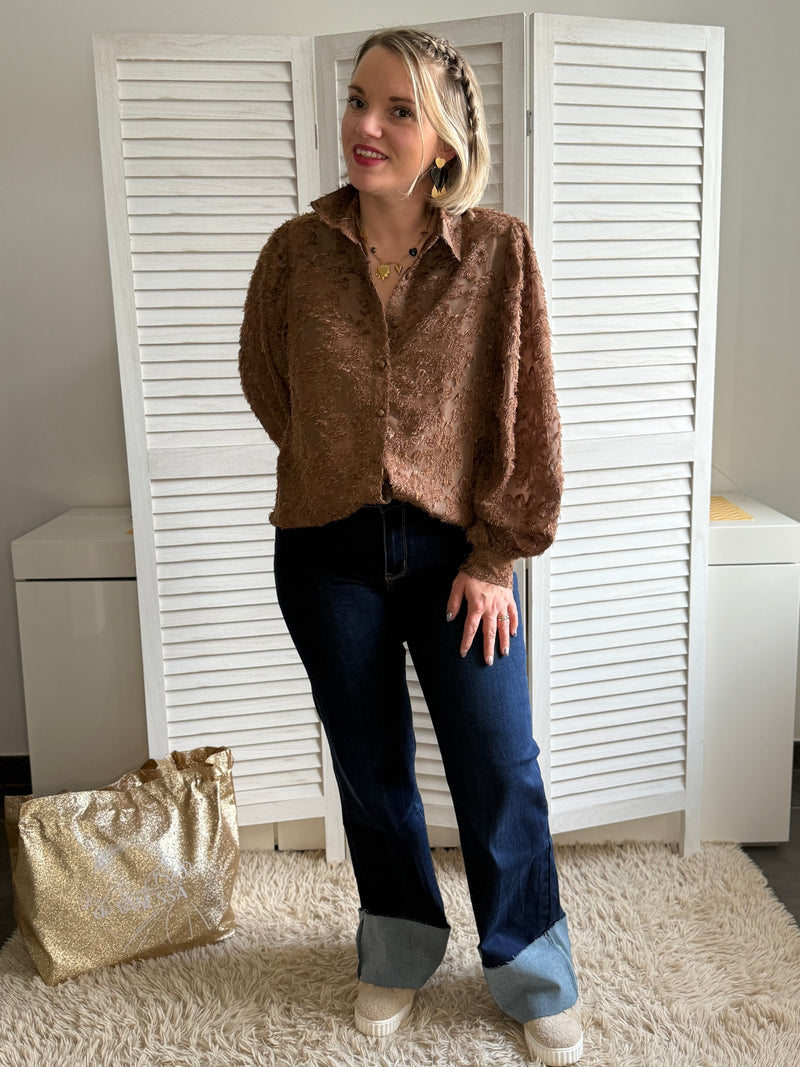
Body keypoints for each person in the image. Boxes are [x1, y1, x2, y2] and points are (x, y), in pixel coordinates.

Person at [238, 27, 583, 1066]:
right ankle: (396, 945)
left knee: (498, 762)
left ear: (444, 141)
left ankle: (530, 965)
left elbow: (528, 412)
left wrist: (495, 555)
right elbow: (268, 380)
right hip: (325, 547)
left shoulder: (497, 252)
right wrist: (338, 458)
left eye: (398, 110)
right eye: (358, 100)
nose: (367, 126)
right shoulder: (295, 253)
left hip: (456, 554)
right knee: (369, 765)